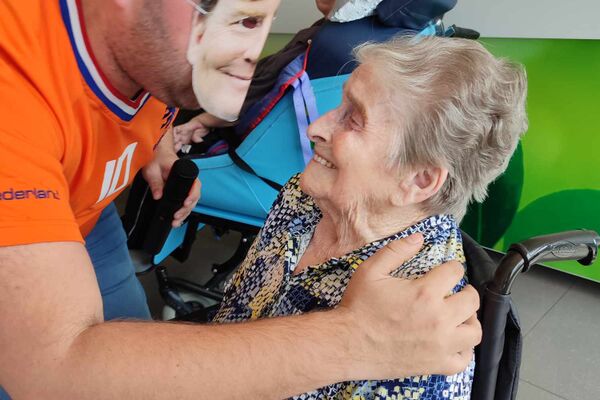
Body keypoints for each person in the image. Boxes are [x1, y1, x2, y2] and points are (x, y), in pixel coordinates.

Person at [0, 1, 480, 399]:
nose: (249, 60)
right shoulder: (14, 86)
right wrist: (358, 338)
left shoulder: (157, 36)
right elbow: (54, 368)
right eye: (245, 20)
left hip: (89, 213)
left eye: (266, 19)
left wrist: (156, 142)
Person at [212, 36, 528, 399]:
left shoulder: (420, 346)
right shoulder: (308, 195)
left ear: (418, 180)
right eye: (340, 104)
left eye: (353, 118)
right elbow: (234, 313)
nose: (316, 128)